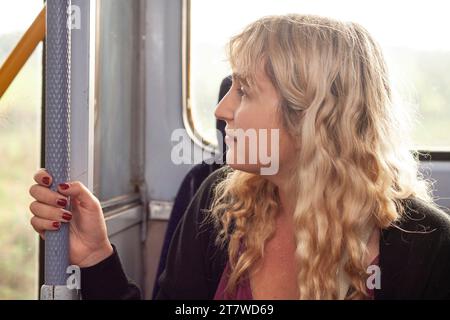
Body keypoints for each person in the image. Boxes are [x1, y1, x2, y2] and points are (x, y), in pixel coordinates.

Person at [28, 14, 450, 300]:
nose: (221, 110)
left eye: (243, 91)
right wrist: (97, 256)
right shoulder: (220, 203)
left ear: (313, 117)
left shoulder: (425, 244)